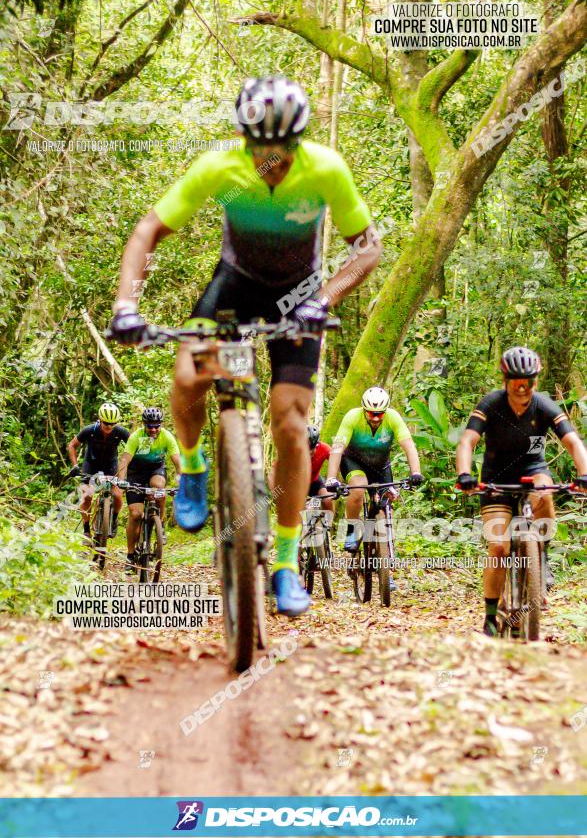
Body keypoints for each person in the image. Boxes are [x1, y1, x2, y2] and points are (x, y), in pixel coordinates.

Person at [109, 75, 382, 615]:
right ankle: (191, 465)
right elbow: (148, 230)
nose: (273, 158)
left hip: (299, 298)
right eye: (262, 146)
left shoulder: (326, 168)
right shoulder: (220, 166)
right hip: (233, 289)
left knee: (289, 423)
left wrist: (323, 299)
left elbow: (367, 250)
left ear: (300, 140)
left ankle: (283, 563)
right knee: (188, 377)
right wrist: (126, 305)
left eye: (284, 147)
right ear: (243, 135)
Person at [455, 346, 587, 637]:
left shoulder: (544, 405)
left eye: (528, 378)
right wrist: (464, 474)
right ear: (505, 379)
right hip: (495, 479)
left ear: (536, 380)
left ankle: (542, 556)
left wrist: (584, 474)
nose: (522, 385)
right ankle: (490, 616)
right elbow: (467, 441)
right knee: (499, 547)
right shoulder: (491, 404)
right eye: (515, 378)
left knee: (544, 491)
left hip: (533, 472)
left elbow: (574, 443)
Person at [325, 386, 424, 588]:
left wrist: (416, 472)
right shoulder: (352, 417)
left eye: (380, 414)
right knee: (358, 489)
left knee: (388, 500)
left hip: (380, 466)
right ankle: (352, 532)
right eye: (372, 413)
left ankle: (386, 568)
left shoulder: (393, 418)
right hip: (353, 463)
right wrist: (331, 478)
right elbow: (337, 448)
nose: (376, 417)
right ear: (364, 410)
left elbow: (409, 445)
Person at [117, 407, 181, 574]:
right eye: (149, 426)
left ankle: (159, 522)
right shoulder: (136, 436)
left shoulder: (167, 437)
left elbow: (177, 461)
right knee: (136, 514)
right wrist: (122, 480)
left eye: (156, 426)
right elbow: (125, 459)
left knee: (159, 487)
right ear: (144, 425)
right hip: (135, 474)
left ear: (161, 425)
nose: (153, 429)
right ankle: (130, 556)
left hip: (155, 471)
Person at [67, 402, 129, 542]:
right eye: (106, 423)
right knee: (87, 496)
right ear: (100, 420)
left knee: (118, 495)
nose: (109, 427)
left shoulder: (121, 432)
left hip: (110, 466)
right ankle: (86, 530)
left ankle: (113, 520)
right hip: (91, 465)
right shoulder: (90, 430)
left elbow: (133, 448)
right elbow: (72, 445)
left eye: (112, 424)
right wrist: (75, 465)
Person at [268, 425, 334, 513]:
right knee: (301, 508)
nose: (310, 452)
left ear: (317, 444)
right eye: (306, 449)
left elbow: (337, 459)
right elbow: (272, 473)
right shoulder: (290, 451)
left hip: (314, 481)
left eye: (312, 448)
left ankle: (328, 525)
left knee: (328, 500)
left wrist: (334, 481)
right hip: (294, 484)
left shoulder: (323, 448)